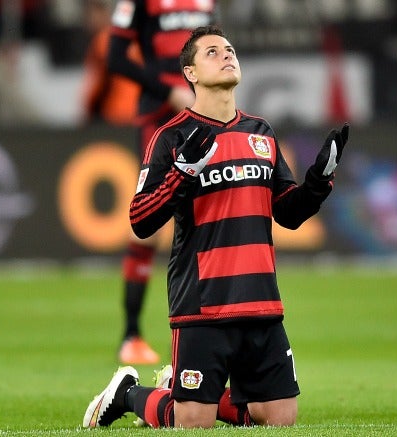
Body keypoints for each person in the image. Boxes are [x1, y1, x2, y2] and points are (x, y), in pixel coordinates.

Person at [83, 24, 350, 429]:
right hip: (203, 304)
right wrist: (181, 174)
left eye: (229, 49)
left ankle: (189, 391)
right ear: (189, 73)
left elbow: (288, 213)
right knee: (193, 424)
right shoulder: (170, 138)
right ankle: (130, 394)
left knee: (280, 419)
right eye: (212, 52)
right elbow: (140, 220)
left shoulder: (260, 133)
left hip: (261, 301)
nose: (227, 55)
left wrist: (318, 180)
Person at [107, 0, 219, 365]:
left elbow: (212, 44)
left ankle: (215, 324)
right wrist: (169, 91)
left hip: (203, 110)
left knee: (211, 208)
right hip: (159, 114)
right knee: (150, 224)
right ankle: (131, 334)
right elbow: (116, 57)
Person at [80, 0, 141, 126]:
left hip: (115, 116)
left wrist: (87, 116)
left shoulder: (103, 40)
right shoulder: (146, 37)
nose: (89, 21)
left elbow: (96, 85)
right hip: (144, 114)